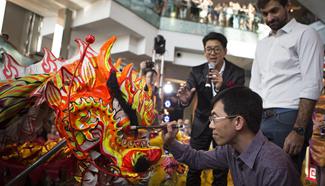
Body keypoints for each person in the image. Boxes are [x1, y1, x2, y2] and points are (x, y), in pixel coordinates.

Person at [164, 86, 302, 186]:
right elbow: (197, 159)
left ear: (238, 122)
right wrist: (170, 141)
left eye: (215, 118)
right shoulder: (231, 151)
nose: (211, 125)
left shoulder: (275, 168)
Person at [249, 0, 324, 173]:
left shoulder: (306, 34)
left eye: (274, 11)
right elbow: (255, 87)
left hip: (288, 117)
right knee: (258, 176)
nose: (269, 18)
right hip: (260, 118)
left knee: (283, 177)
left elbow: (312, 84)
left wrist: (298, 130)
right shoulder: (262, 44)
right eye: (265, 13)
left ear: (287, 6)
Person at [177, 32, 245, 186]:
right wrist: (184, 100)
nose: (212, 53)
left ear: (225, 51)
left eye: (216, 49)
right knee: (193, 166)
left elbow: (238, 99)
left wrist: (223, 86)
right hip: (201, 123)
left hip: (224, 124)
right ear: (204, 52)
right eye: (209, 50)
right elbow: (187, 95)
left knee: (221, 169)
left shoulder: (236, 73)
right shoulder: (196, 71)